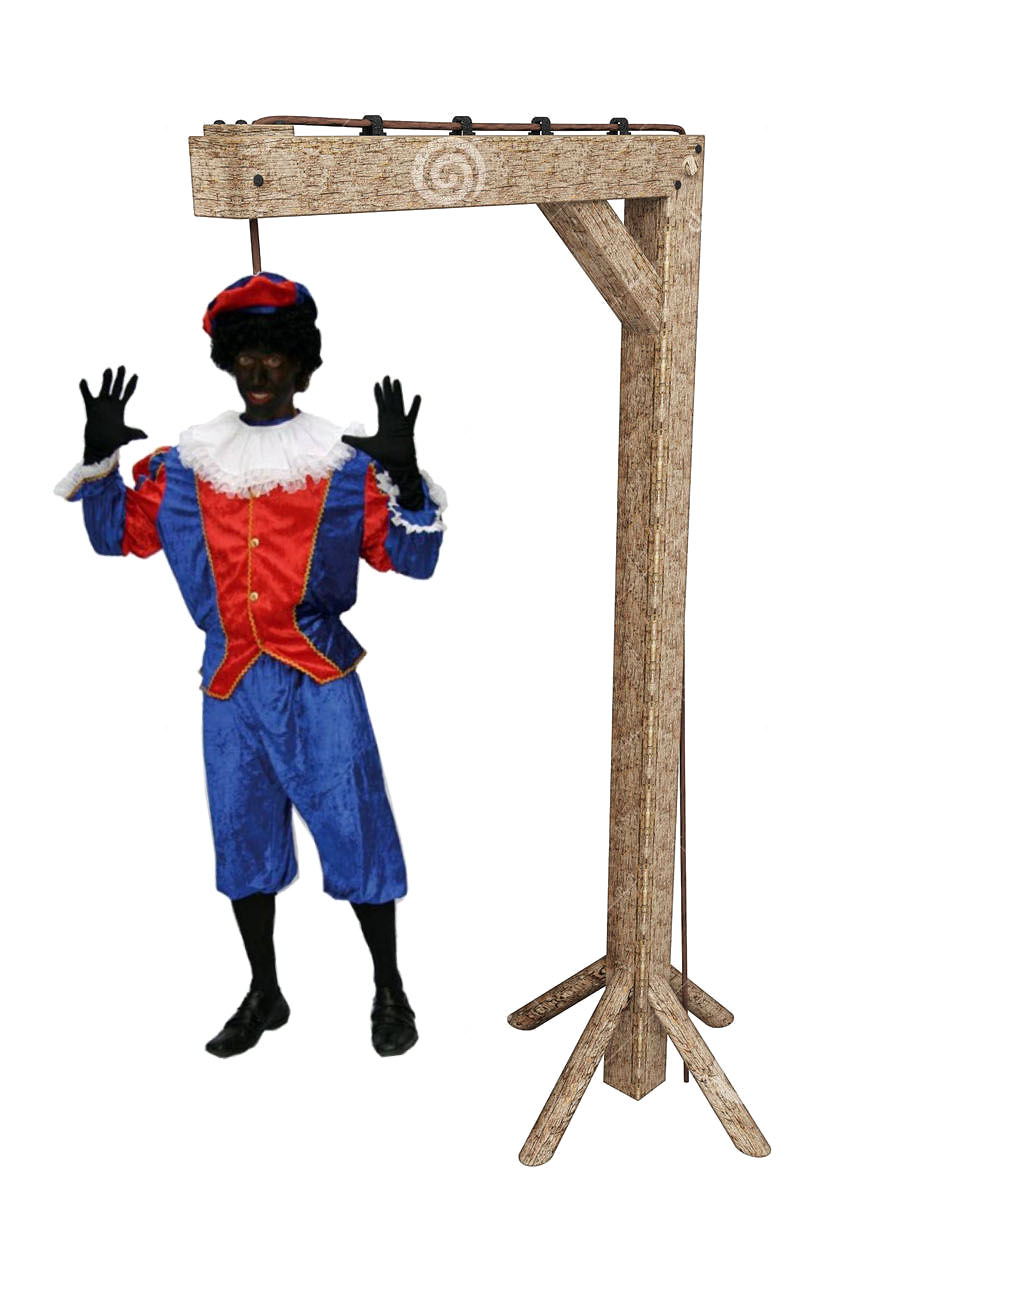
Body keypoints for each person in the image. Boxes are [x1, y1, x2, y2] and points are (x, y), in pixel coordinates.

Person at [54, 272, 446, 1059]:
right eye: (246, 355)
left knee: (357, 832)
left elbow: (414, 560)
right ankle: (265, 991)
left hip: (320, 681)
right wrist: (99, 458)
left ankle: (389, 988)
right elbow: (114, 537)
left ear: (303, 364)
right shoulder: (187, 466)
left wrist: (405, 479)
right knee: (243, 842)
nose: (260, 370)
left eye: (276, 355)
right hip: (229, 686)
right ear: (228, 361)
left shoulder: (344, 467)